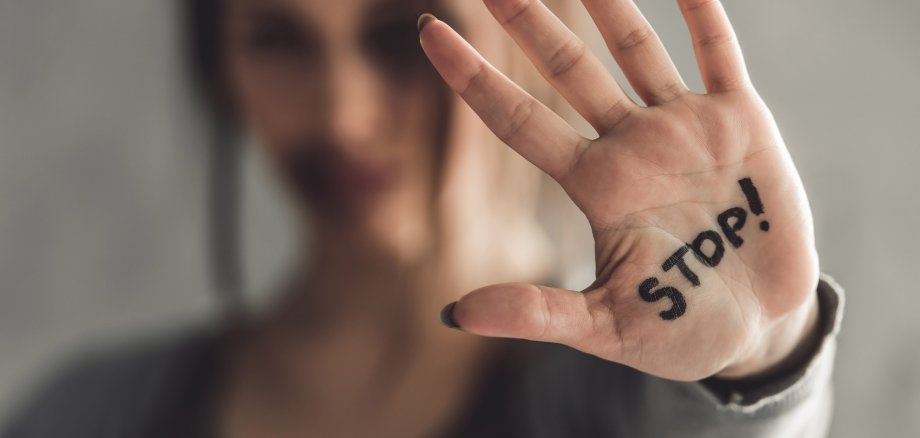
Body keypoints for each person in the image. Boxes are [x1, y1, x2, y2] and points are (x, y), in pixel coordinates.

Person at [2, 0, 844, 436]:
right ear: (217, 67)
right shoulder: (90, 415)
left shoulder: (619, 404)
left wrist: (761, 357)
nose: (340, 116)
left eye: (399, 36)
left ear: (517, 45)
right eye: (278, 41)